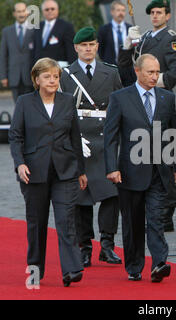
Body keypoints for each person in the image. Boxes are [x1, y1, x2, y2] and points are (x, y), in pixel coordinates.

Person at [104, 53, 176, 282]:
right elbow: (110, 137)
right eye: (150, 72)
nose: (154, 76)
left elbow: (174, 133)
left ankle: (159, 262)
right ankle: (134, 266)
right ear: (137, 71)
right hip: (129, 173)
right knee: (132, 223)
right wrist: (112, 167)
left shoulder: (166, 98)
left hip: (160, 171)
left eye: (157, 72)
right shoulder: (120, 98)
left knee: (156, 219)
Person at [8, 58, 88, 287]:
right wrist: (19, 163)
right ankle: (35, 270)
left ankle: (71, 269)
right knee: (36, 224)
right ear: (37, 79)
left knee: (66, 220)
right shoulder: (25, 102)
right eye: (47, 77)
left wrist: (81, 170)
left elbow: (75, 137)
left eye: (55, 77)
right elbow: (15, 136)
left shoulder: (67, 101)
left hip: (65, 171)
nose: (52, 80)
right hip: (34, 173)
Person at [118, 0, 176, 232]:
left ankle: (166, 212)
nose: (155, 16)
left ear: (168, 15)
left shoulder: (170, 38)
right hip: (140, 101)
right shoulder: (146, 36)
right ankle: (150, 207)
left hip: (160, 102)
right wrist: (128, 46)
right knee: (143, 154)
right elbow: (126, 70)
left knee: (165, 156)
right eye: (152, 13)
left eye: (159, 12)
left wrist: (155, 80)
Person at [60, 27, 123, 268]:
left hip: (105, 136)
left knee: (111, 192)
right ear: (76, 48)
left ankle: (107, 244)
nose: (88, 49)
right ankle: (85, 246)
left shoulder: (111, 72)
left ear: (98, 46)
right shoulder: (66, 74)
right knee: (81, 195)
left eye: (92, 45)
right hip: (79, 139)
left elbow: (118, 105)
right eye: (83, 45)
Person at [0, 2, 34, 103]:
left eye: (23, 11)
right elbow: (3, 55)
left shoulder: (34, 30)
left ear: (27, 12)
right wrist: (3, 76)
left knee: (30, 106)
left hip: (29, 75)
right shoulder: (7, 31)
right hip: (14, 76)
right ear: (14, 14)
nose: (21, 14)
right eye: (18, 11)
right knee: (18, 106)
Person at [32, 0, 77, 67]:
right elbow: (35, 50)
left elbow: (71, 52)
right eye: (47, 9)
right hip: (40, 68)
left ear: (57, 10)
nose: (50, 11)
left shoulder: (66, 27)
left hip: (59, 69)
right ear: (43, 11)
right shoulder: (37, 27)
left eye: (52, 9)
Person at [97, 1, 132, 66]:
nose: (121, 13)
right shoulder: (104, 30)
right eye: (118, 10)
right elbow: (100, 49)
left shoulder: (130, 29)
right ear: (112, 12)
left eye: (123, 10)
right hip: (110, 66)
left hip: (128, 66)